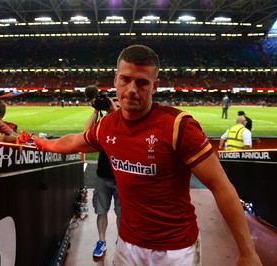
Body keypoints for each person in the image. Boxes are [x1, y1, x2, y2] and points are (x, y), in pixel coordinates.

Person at [33, 45, 262, 265]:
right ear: (115, 79)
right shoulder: (107, 126)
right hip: (127, 244)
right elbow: (74, 141)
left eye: (142, 82)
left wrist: (247, 252)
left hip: (176, 250)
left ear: (155, 86)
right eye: (125, 79)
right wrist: (41, 143)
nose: (131, 89)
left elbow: (221, 187)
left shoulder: (178, 126)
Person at [83, 95, 121, 258]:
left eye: (119, 106)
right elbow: (86, 133)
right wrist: (96, 111)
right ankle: (101, 240)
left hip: (121, 179)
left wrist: (113, 108)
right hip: (103, 176)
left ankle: (121, 241)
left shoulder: (127, 124)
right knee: (101, 211)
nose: (114, 107)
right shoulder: (103, 125)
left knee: (122, 214)